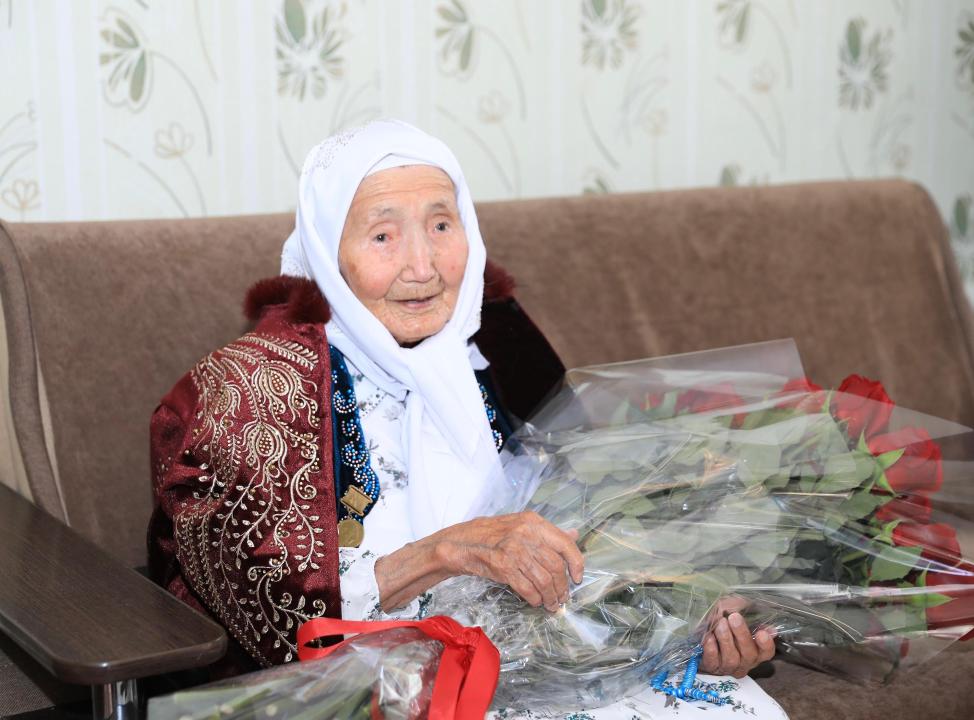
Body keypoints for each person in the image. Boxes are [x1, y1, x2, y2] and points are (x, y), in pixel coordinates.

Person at [148, 119, 782, 717]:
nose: (423, 267)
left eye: (441, 225)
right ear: (326, 251)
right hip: (358, 694)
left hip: (530, 666)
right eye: (383, 236)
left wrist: (683, 631)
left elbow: (587, 531)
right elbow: (279, 621)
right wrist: (448, 551)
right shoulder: (246, 394)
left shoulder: (496, 347)